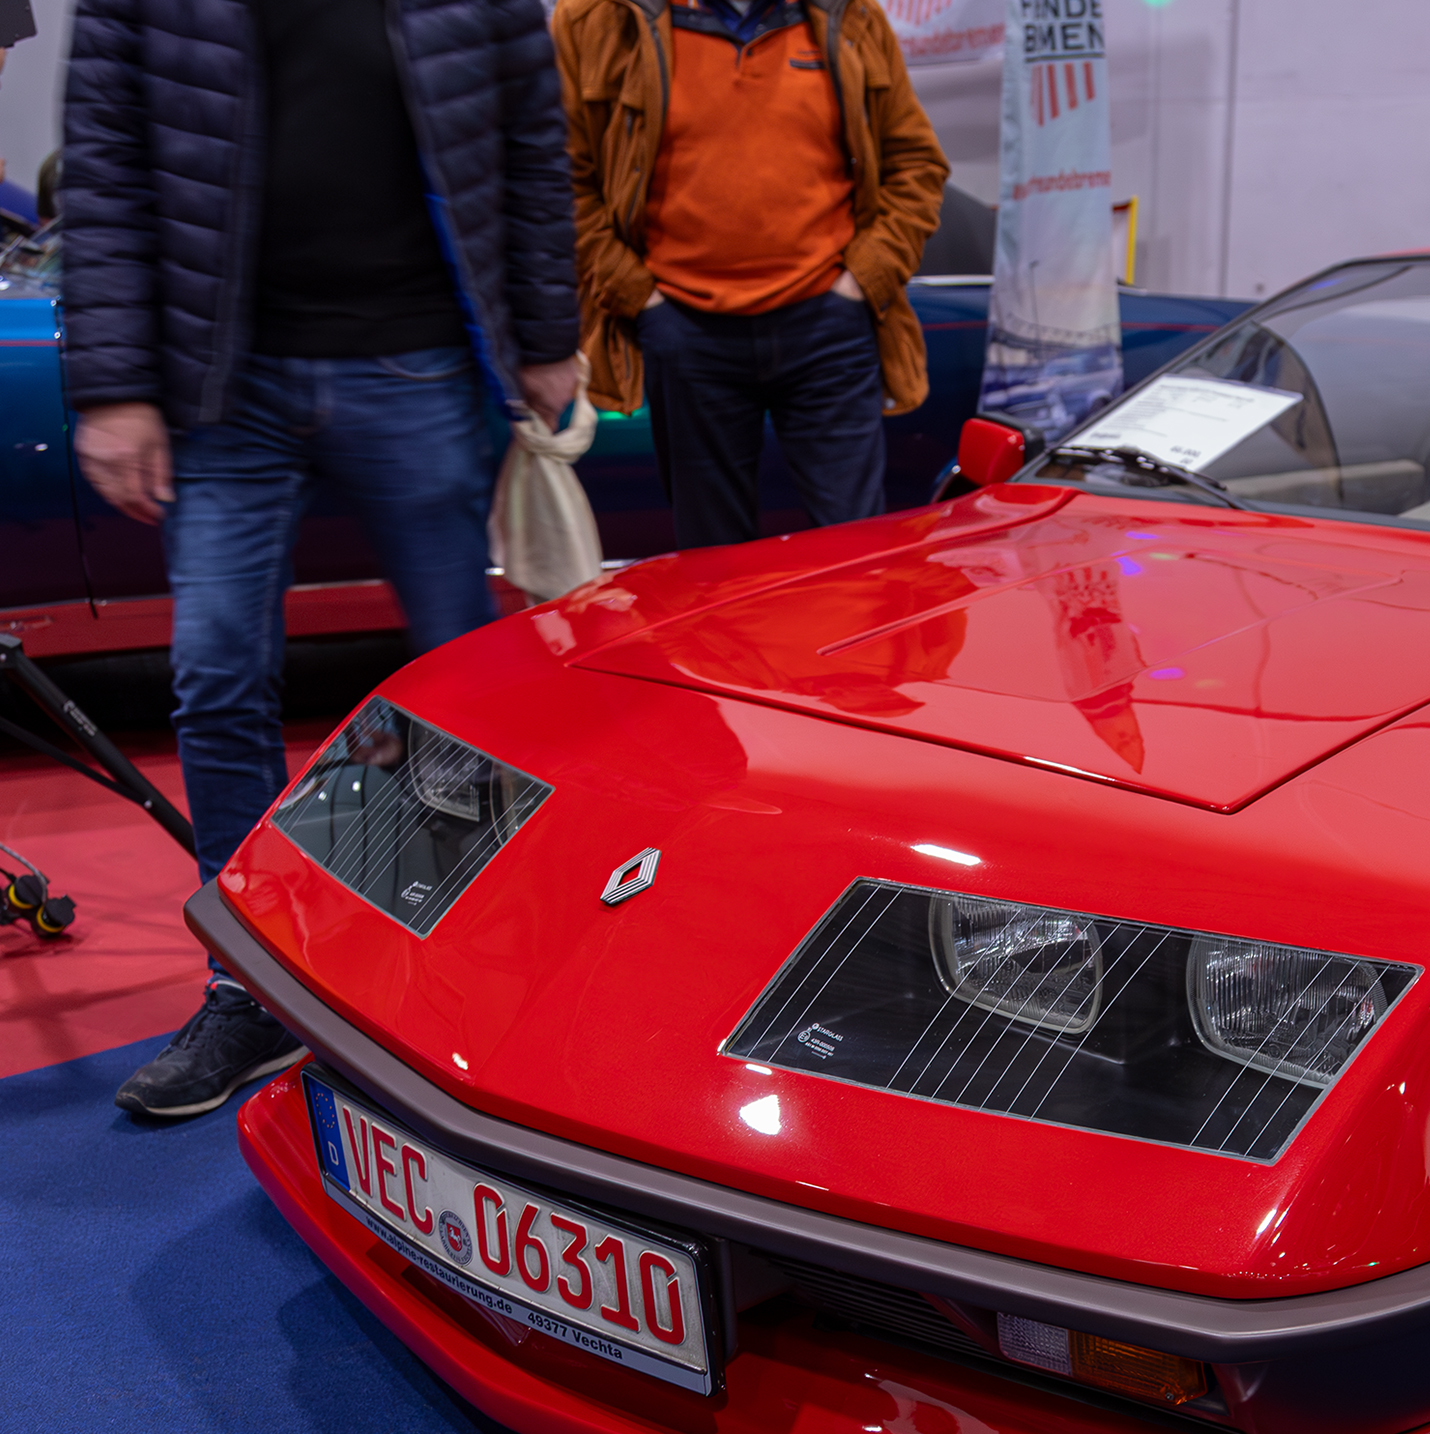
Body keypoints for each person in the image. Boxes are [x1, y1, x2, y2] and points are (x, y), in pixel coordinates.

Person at [62, 0, 583, 1118]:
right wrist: (113, 385)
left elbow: (530, 141)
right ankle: (248, 985)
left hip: (421, 364)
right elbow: (105, 170)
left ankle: (483, 971)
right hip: (225, 386)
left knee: (476, 692)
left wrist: (546, 331)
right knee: (214, 674)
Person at [553, 0, 948, 548]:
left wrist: (864, 278)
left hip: (827, 330)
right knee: (712, 567)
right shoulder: (600, 20)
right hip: (687, 333)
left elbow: (917, 164)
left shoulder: (846, 14)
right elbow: (564, 182)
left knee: (859, 556)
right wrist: (636, 295)